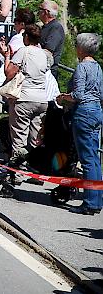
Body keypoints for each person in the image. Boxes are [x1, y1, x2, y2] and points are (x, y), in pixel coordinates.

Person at [0, 24, 50, 197]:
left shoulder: (24, 51)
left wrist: (6, 56)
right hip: (42, 99)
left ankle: (17, 174)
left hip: (24, 99)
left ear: (27, 37)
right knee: (35, 139)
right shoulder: (45, 55)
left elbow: (8, 72)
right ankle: (36, 171)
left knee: (19, 138)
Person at [57, 33, 103, 215]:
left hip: (83, 113)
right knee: (94, 159)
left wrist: (62, 97)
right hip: (96, 111)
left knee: (87, 161)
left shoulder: (82, 67)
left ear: (81, 48)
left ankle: (90, 202)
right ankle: (97, 200)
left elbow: (78, 95)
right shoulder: (98, 68)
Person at [39, 0, 65, 79]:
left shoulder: (55, 28)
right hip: (41, 70)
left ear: (46, 12)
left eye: (40, 9)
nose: (38, 12)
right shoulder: (46, 27)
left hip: (48, 73)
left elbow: (48, 50)